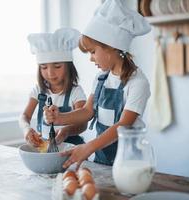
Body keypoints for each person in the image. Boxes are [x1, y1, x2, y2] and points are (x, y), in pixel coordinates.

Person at [44, 0, 151, 169]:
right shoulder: (101, 79)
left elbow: (122, 125)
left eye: (93, 52)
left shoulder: (138, 83)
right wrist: (59, 118)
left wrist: (88, 147)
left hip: (130, 162)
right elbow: (87, 111)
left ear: (112, 47)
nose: (91, 58)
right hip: (102, 160)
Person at [19, 28, 88, 147]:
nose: (50, 73)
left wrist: (66, 131)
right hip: (46, 146)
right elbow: (24, 116)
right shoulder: (38, 91)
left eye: (57, 66)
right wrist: (27, 129)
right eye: (44, 67)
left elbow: (82, 124)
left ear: (68, 67)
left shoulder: (76, 92)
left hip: (72, 148)